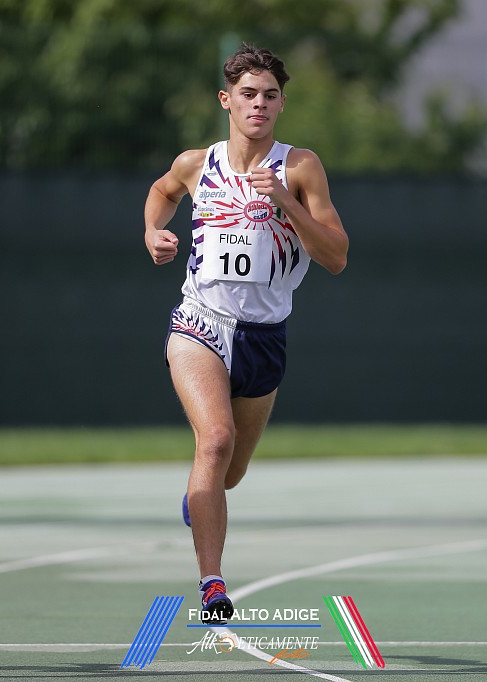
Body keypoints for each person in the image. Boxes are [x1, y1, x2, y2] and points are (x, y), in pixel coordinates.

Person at [143, 43, 348, 624]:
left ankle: (201, 497)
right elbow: (161, 192)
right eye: (248, 94)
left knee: (229, 472)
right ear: (226, 100)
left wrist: (286, 202)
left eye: (270, 95)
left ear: (282, 105)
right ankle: (212, 584)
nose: (258, 104)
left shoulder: (299, 167)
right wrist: (153, 232)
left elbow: (336, 256)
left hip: (264, 335)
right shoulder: (196, 164)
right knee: (215, 441)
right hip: (200, 323)